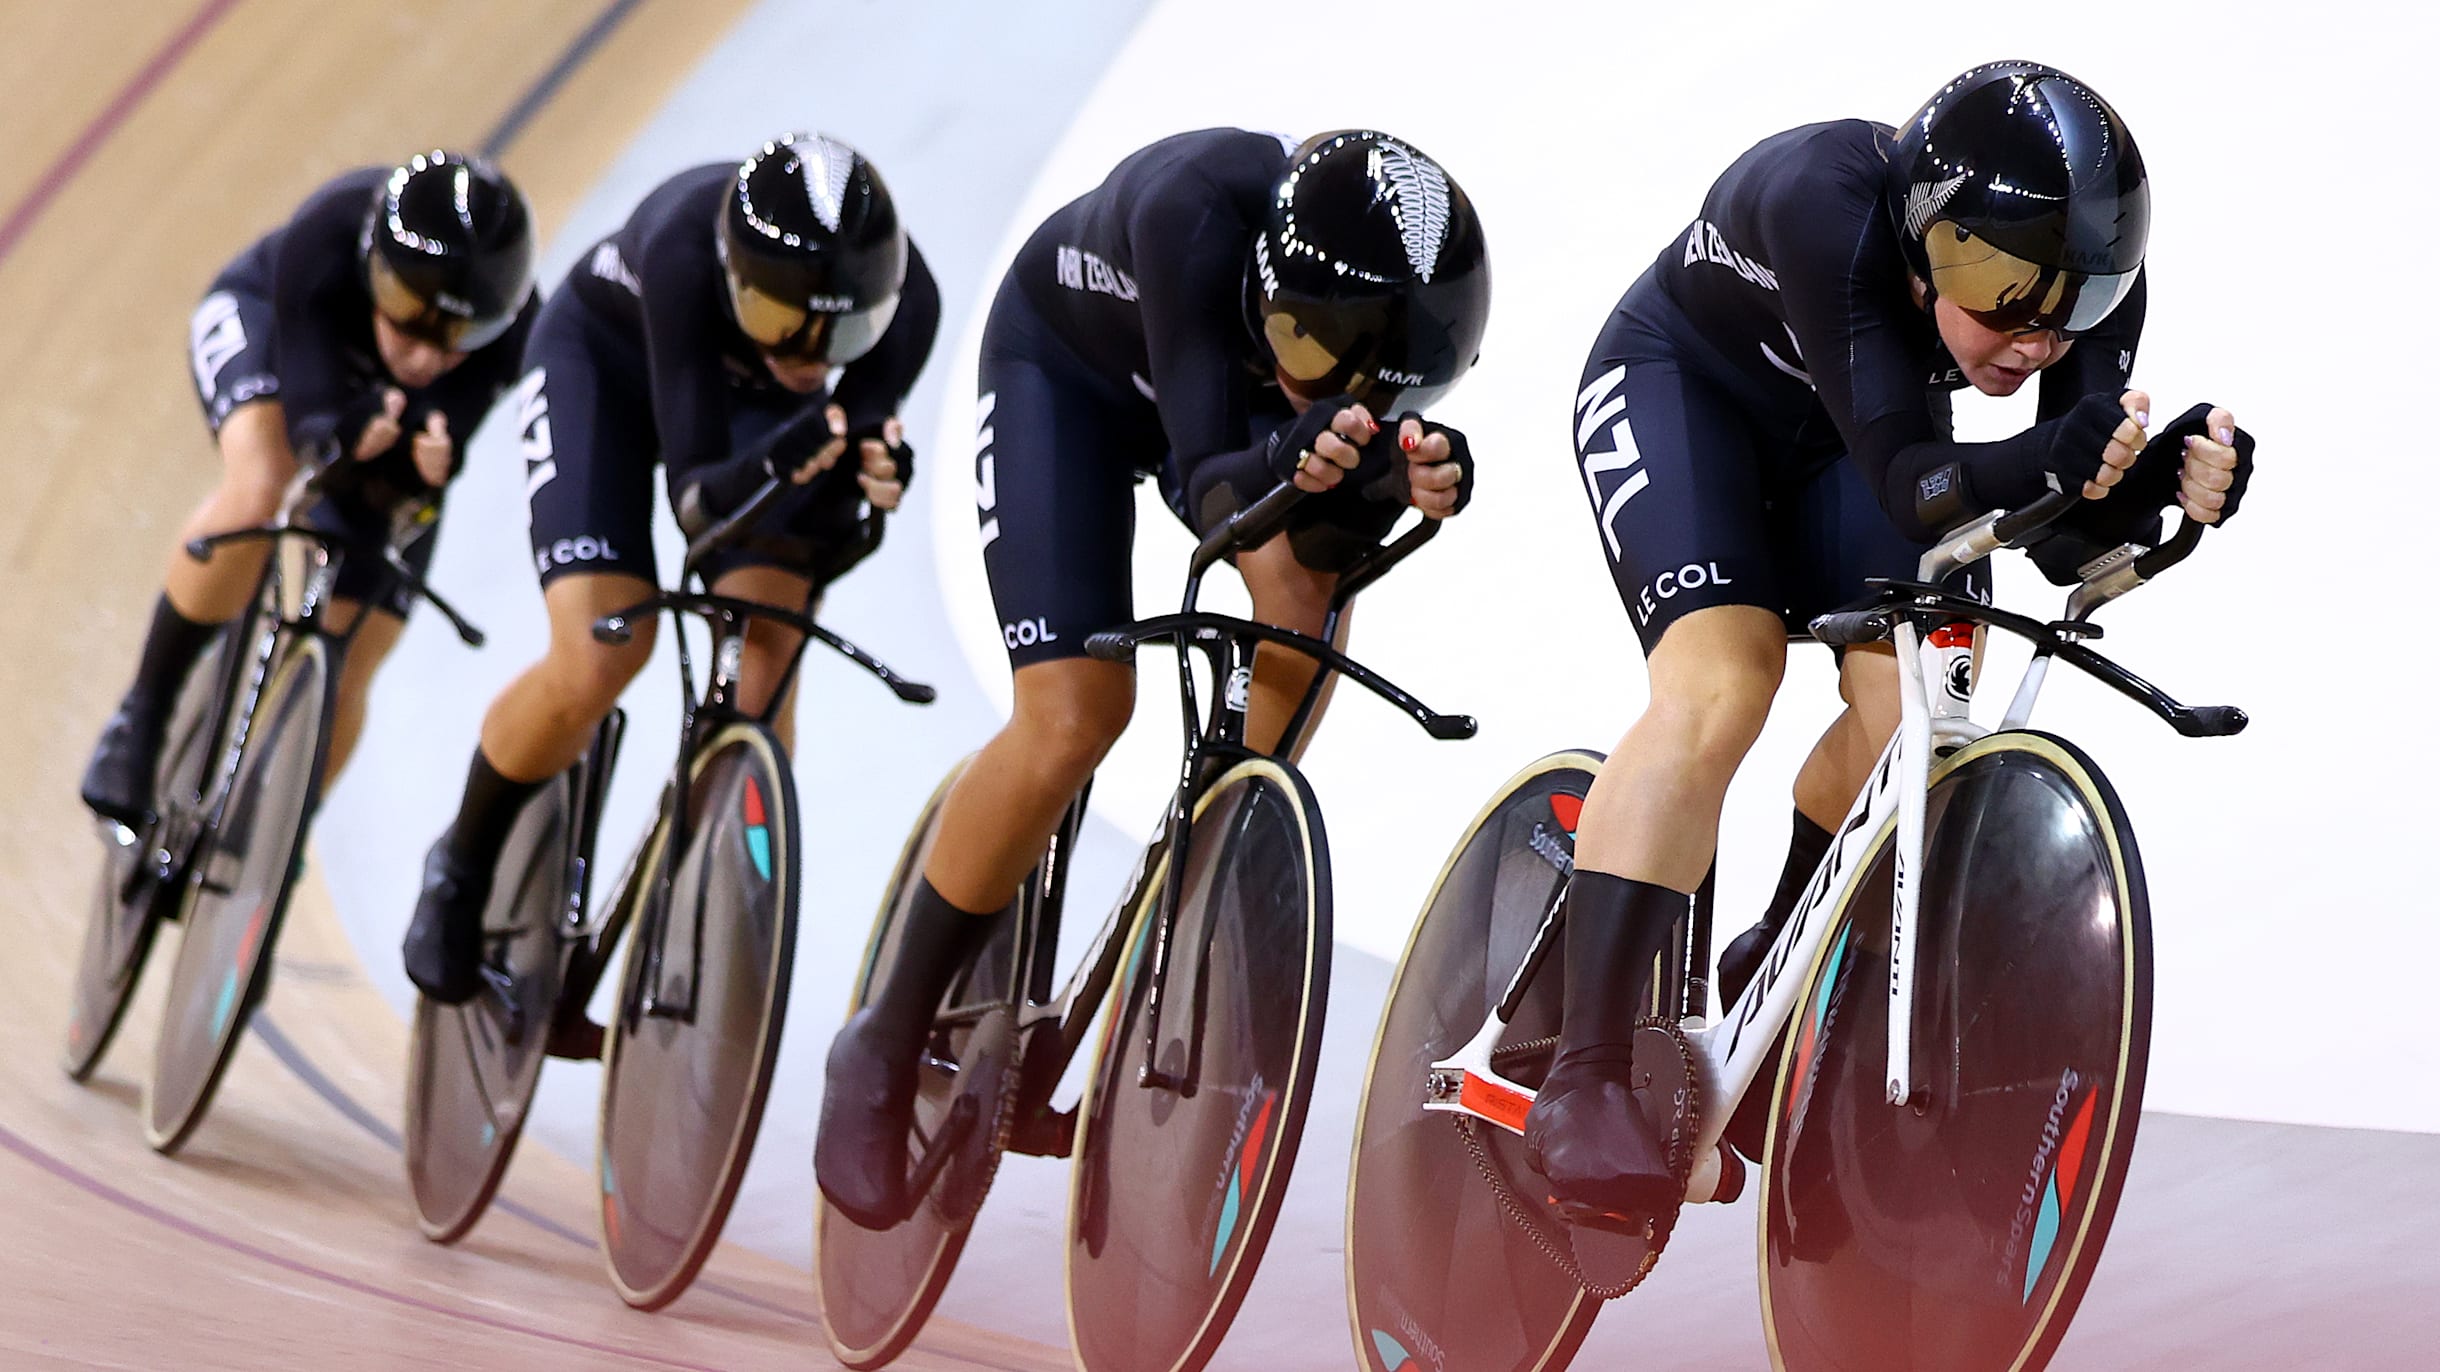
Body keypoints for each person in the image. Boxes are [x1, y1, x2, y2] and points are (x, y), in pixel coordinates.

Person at [1529, 61, 2256, 1221]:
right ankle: (1586, 1070)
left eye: (2077, 301)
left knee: (1925, 695)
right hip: (1687, 393)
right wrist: (2060, 462)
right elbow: (1924, 487)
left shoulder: (2080, 287)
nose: (2036, 335)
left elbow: (2062, 539)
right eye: (2001, 288)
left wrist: (2156, 480)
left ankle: (1775, 957)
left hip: (1843, 441)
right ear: (1926, 246)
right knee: (1725, 683)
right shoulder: (1825, 202)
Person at [816, 127, 1492, 1229]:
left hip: (1225, 416)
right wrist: (1298, 451)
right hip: (1066, 378)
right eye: (1312, 350)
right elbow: (1213, 489)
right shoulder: (1194, 207)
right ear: (1270, 289)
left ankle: (1216, 842)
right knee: (1076, 712)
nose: (1332, 382)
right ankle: (881, 1038)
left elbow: (1315, 532)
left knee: (1306, 592)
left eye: (1368, 377)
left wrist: (1410, 473)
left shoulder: (1330, 340)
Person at [401, 133, 940, 1004]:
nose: (809, 352)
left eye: (840, 331)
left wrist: (873, 468)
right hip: (606, 372)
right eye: (779, 321)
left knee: (765, 670)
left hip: (755, 428)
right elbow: (700, 504)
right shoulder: (683, 248)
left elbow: (847, 473)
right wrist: (804, 446)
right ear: (733, 278)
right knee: (603, 652)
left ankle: (718, 915)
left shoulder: (910, 304)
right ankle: (459, 866)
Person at [79, 151, 539, 826]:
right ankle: (140, 717)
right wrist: (346, 437)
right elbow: (312, 420)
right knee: (263, 486)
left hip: (378, 427)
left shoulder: (517, 332)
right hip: (270, 333)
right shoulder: (329, 230)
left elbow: (431, 463)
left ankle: (280, 839)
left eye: (459, 338)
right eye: (409, 316)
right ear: (374, 268)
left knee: (356, 647)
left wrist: (423, 464)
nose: (425, 356)